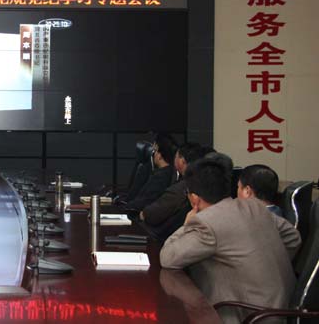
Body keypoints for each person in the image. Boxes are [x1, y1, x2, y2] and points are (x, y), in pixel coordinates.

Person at [160, 159, 301, 324]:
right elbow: (293, 237)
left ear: (195, 198)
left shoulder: (207, 222)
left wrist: (186, 224)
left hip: (247, 315)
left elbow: (168, 258)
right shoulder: (255, 207)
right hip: (283, 307)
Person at [140, 142, 204, 239]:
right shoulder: (200, 184)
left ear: (182, 161)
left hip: (159, 238)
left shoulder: (181, 188)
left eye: (176, 156)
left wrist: (143, 214)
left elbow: (151, 215)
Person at [125, 134, 177, 211]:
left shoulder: (160, 177)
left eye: (155, 151)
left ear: (159, 155)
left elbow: (145, 201)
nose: (153, 154)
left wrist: (126, 206)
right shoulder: (169, 172)